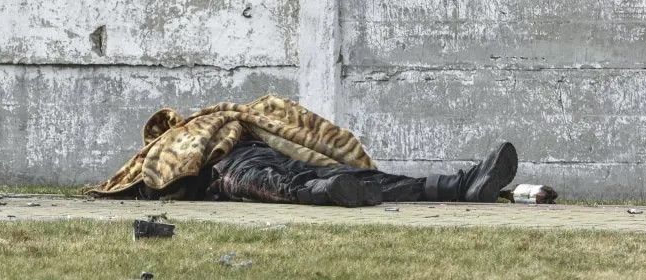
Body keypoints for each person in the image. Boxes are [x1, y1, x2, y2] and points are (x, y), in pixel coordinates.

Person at [142, 140, 520, 207]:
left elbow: (154, 181)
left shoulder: (190, 137)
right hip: (257, 160)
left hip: (256, 159)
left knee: (367, 177)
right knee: (276, 184)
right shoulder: (167, 148)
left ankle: (466, 185)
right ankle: (456, 187)